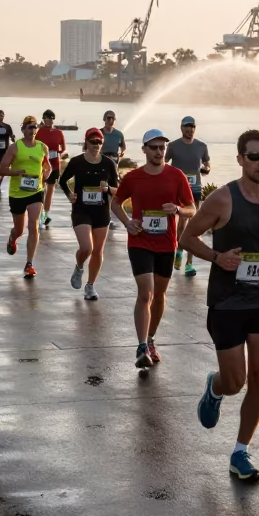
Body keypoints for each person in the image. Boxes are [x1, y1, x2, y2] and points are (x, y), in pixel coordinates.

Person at [182, 129, 259, 480]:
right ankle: (216, 387)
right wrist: (217, 257)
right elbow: (186, 237)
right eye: (255, 157)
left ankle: (240, 452)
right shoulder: (221, 199)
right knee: (236, 381)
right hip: (227, 301)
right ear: (240, 159)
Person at [110, 130, 195, 368]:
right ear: (144, 149)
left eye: (162, 148)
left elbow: (192, 208)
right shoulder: (133, 178)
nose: (159, 152)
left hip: (166, 244)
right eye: (154, 147)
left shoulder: (176, 176)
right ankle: (140, 347)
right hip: (140, 242)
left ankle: (150, 339)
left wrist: (178, 211)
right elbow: (115, 202)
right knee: (145, 293)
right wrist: (127, 223)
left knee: (159, 296)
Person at [59, 127, 119, 299]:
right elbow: (63, 181)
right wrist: (70, 194)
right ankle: (79, 267)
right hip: (81, 210)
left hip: (101, 211)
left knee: (98, 251)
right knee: (87, 247)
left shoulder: (108, 164)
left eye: (99, 142)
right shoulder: (77, 162)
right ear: (86, 142)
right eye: (93, 142)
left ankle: (90, 286)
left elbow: (118, 190)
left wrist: (108, 188)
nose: (96, 145)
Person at [0, 115, 48, 278]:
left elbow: (46, 165)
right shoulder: (15, 147)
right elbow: (1, 169)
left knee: (33, 225)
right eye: (29, 127)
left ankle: (29, 264)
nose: (32, 130)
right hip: (17, 193)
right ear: (23, 130)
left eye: (34, 127)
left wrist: (47, 171)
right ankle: (12, 238)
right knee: (20, 230)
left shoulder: (42, 147)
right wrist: (16, 172)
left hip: (36, 191)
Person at [165, 115, 211, 276]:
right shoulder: (173, 146)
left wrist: (207, 169)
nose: (189, 129)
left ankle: (189, 263)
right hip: (178, 190)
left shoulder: (202, 146)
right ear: (181, 128)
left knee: (194, 224)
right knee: (182, 222)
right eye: (186, 126)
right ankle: (178, 250)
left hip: (195, 189)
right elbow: (163, 164)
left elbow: (207, 163)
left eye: (192, 127)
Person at [35, 110, 67, 228]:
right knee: (41, 190)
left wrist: (61, 154)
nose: (49, 120)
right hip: (42, 165)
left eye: (51, 118)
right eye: (47, 118)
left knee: (50, 191)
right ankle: (39, 214)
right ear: (43, 119)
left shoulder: (59, 132)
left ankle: (45, 214)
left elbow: (63, 149)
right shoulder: (38, 132)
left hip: (55, 164)